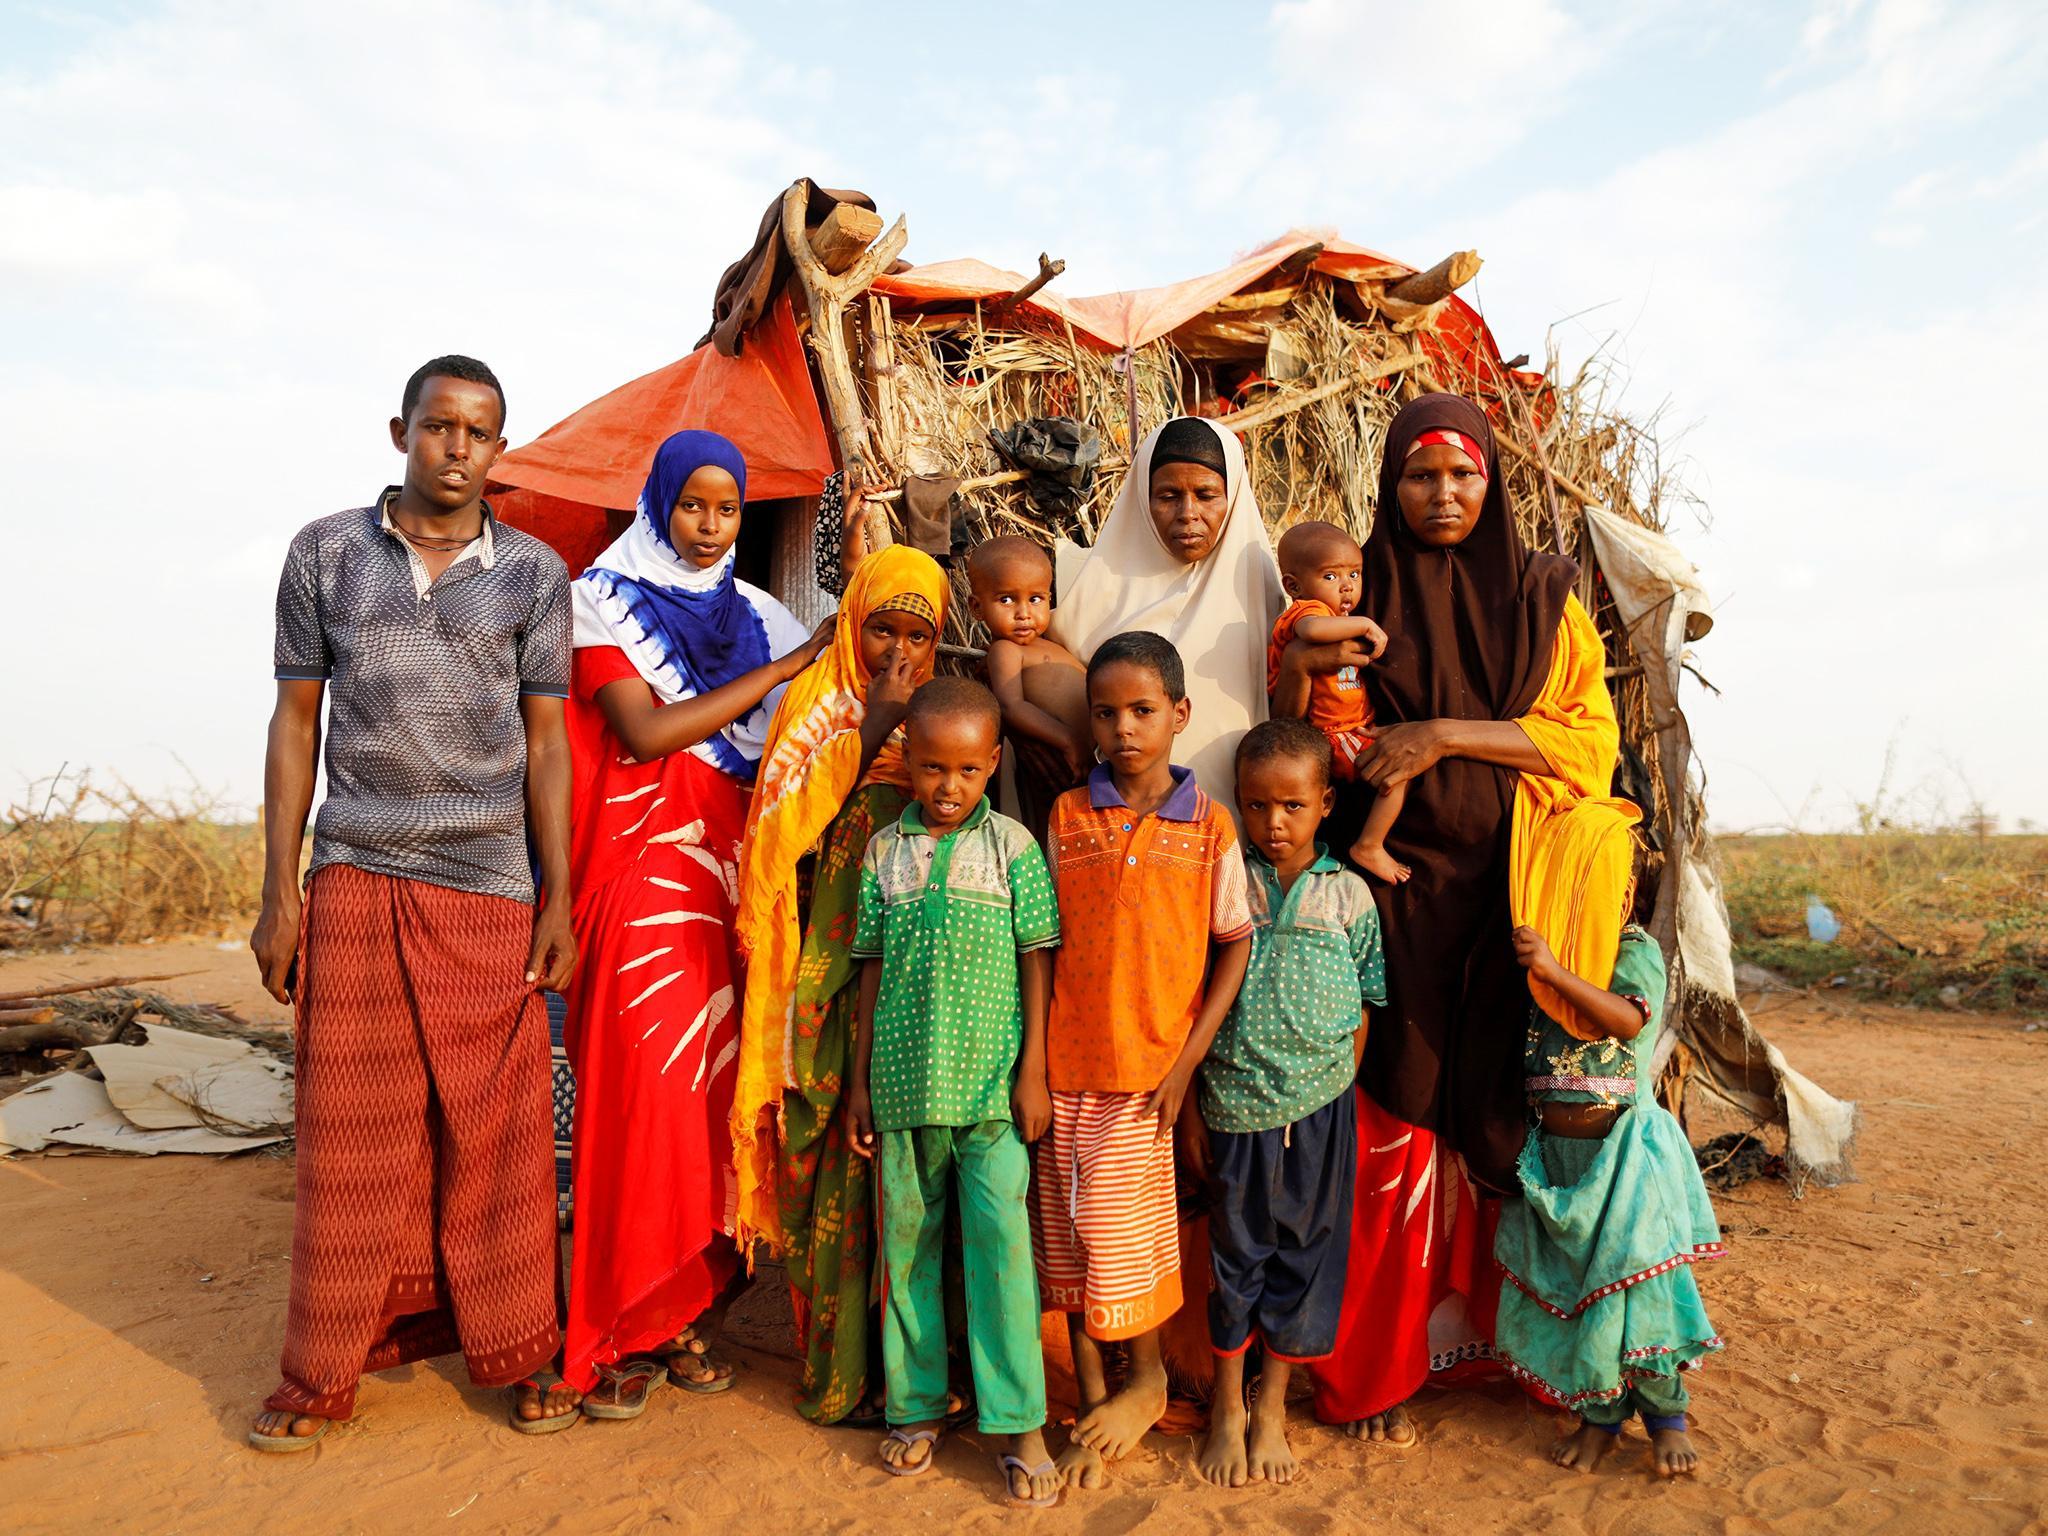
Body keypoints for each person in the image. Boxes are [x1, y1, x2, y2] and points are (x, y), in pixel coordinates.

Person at [1275, 393, 1638, 1447]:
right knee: (1396, 1109)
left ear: (1492, 483)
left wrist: (1436, 731)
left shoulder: (1539, 595)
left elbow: (1584, 741)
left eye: (1462, 475)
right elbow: (1304, 732)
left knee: (1500, 1121)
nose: (1442, 494)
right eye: (1421, 476)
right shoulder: (1358, 590)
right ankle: (1378, 1368)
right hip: (1391, 904)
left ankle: (1517, 1353)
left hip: (1511, 901)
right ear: (1390, 486)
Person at [247, 355, 579, 1449]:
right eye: (439, 427)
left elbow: (546, 746)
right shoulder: (327, 554)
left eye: (479, 433)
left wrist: (556, 895)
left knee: (497, 1130)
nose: (457, 448)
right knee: (351, 1134)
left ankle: (523, 1352)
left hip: (489, 880)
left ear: (499, 449)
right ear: (401, 431)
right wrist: (279, 892)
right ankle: (317, 1374)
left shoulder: (532, 573)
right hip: (356, 869)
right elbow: (296, 725)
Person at [561, 430, 831, 1420]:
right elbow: (641, 731)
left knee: (712, 1103)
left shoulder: (759, 616)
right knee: (643, 1090)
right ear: (660, 501)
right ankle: (611, 1325)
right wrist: (782, 671)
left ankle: (680, 1319)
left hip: (729, 881)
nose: (711, 526)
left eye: (728, 510)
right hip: (638, 880)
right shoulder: (601, 598)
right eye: (693, 506)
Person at [730, 546, 949, 1424]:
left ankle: (914, 1373)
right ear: (852, 625)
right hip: (826, 969)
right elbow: (782, 844)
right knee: (830, 1155)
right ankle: (837, 1376)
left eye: (917, 636)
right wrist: (877, 722)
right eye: (881, 630)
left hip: (914, 974)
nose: (897, 652)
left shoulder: (947, 720)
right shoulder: (819, 707)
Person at [1033, 631, 1253, 1488]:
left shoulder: (1209, 824)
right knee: (1071, 1243)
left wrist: (1186, 1065)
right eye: (1106, 713)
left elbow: (1233, 942)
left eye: (1143, 711)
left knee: (1123, 1241)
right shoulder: (1065, 815)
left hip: (1147, 1076)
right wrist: (1032, 1066)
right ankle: (1095, 1394)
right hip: (1066, 1067)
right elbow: (1042, 943)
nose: (1123, 728)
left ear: (1179, 715)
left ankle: (1151, 1379)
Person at [843, 678, 1062, 1507]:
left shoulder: (1012, 847)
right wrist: (862, 1083)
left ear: (992, 763)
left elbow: (1037, 961)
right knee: (907, 1257)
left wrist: (1032, 1070)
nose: (947, 787)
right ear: (906, 761)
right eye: (932, 767)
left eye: (967, 770)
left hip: (992, 1095)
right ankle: (917, 1408)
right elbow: (868, 974)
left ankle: (1019, 1422)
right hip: (901, 1094)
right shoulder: (883, 853)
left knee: (1004, 1258)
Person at [1194, 719, 1386, 1490]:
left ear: (1326, 804)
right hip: (1234, 1099)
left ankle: (1271, 1405)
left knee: (1305, 1252)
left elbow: (1368, 1002)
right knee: (1236, 1252)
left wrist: (1336, 1089)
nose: (1274, 824)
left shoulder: (1350, 895)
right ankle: (1226, 1409)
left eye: (1293, 807)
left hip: (1321, 1105)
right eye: (1256, 805)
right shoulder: (1225, 877)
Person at [1495, 838, 1723, 1479]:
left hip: (1625, 1156)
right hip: (1559, 1160)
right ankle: (1599, 1418)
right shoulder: (1545, 957)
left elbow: (1626, 1020)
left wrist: (1551, 971)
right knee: (1585, 1293)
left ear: (1625, 896)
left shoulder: (1634, 952)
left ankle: (1665, 1419)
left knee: (1639, 1291)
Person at [1048, 417, 1286, 802]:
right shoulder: (1083, 588)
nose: (1187, 512)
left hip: (1230, 831)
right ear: (1144, 498)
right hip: (1116, 830)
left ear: (1233, 496)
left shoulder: (1266, 596)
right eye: (1168, 496)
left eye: (1207, 495)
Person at [1265, 520, 1401, 879]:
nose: (1346, 587)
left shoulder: (1334, 614)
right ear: (1293, 585)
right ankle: (1370, 844)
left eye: (1354, 575)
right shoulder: (1308, 612)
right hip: (1334, 734)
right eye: (1331, 577)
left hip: (1350, 728)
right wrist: (1365, 625)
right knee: (1397, 775)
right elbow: (1310, 632)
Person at [967, 535, 1090, 785]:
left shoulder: (1053, 641)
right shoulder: (1005, 650)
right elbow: (1011, 706)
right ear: (977, 607)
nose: (1024, 613)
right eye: (1006, 599)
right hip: (1070, 758)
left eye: (1035, 599)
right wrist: (1068, 740)